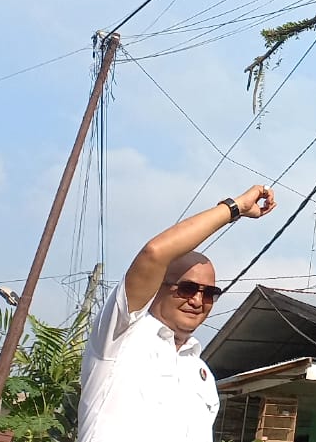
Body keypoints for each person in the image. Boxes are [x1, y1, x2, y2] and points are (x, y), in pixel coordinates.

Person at [76, 185, 277, 442]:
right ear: (157, 287)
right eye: (187, 288)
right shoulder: (121, 335)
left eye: (209, 293)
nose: (197, 300)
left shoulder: (201, 374)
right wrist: (233, 208)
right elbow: (155, 253)